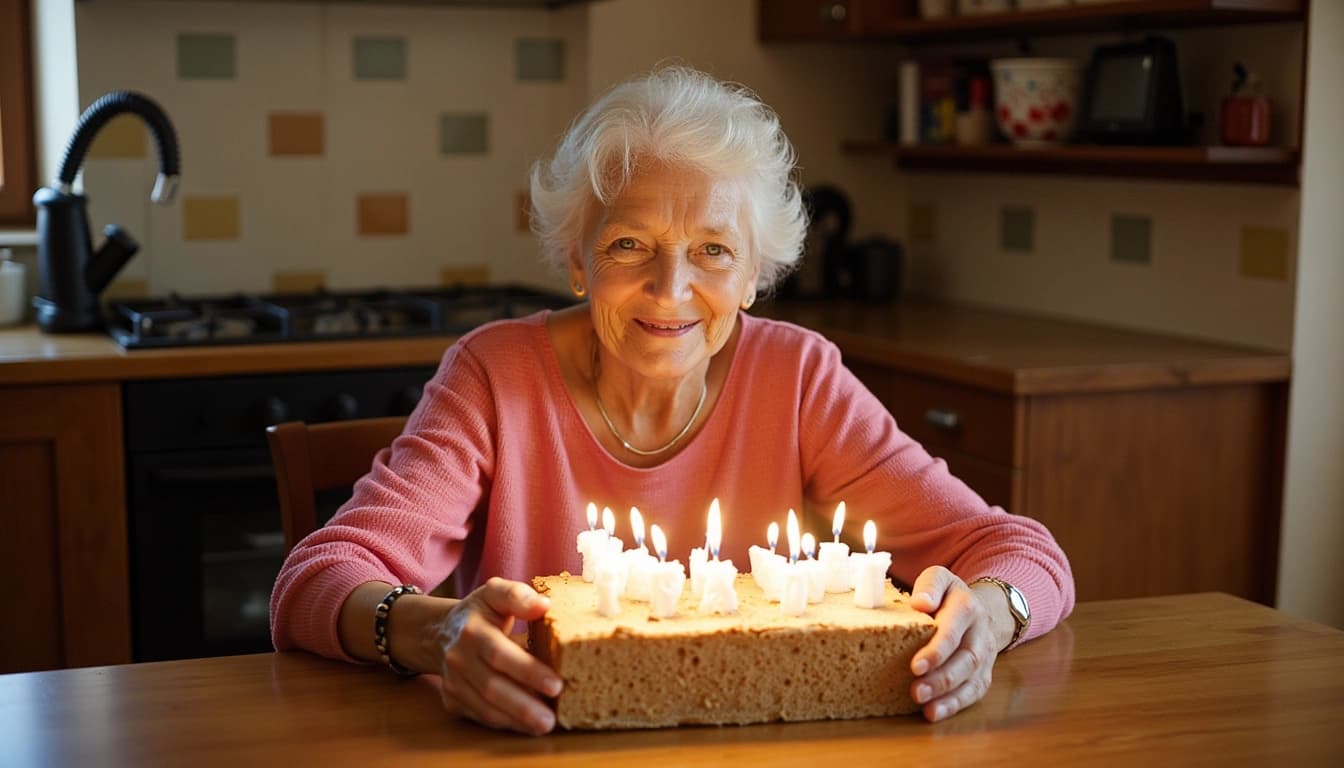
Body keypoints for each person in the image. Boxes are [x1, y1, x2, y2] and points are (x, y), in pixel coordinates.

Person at [270, 65, 1074, 736]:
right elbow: (316, 578)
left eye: (713, 252)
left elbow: (1025, 555)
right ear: (577, 261)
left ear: (755, 276)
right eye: (629, 245)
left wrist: (992, 617)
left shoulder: (796, 377)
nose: (672, 288)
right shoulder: (495, 375)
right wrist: (433, 632)